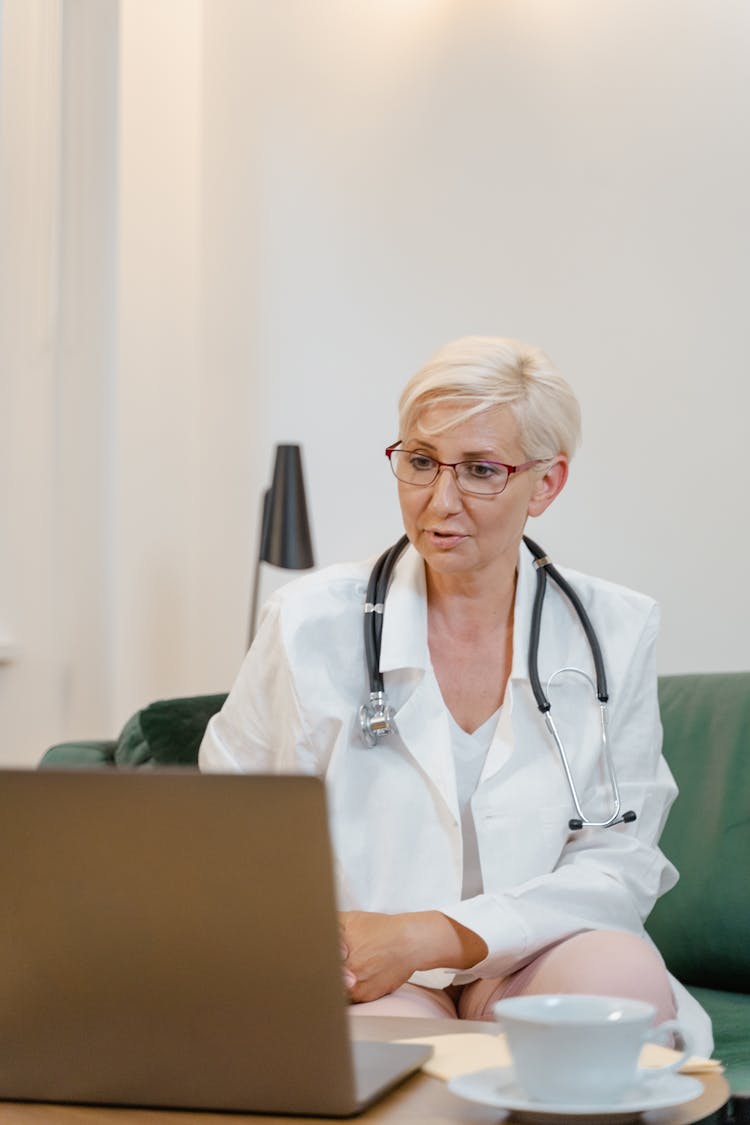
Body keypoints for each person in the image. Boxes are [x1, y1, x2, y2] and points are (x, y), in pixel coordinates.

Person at [199, 335, 711, 1052]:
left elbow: (619, 860)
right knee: (397, 1065)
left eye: (480, 470)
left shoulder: (614, 629)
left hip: (537, 951)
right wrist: (329, 939)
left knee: (620, 982)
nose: (441, 501)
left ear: (547, 483)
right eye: (420, 461)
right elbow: (230, 819)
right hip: (372, 965)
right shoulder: (310, 621)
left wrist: (437, 934)